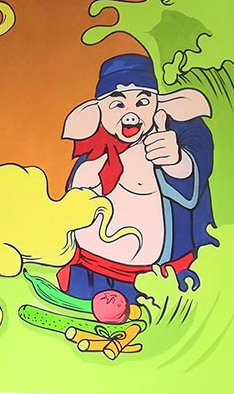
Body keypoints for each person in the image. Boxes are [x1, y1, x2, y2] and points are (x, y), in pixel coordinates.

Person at [58, 53, 216, 300]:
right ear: (99, 110)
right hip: (88, 274)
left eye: (142, 102)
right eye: (118, 105)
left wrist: (175, 161)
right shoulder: (95, 148)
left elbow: (195, 172)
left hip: (149, 282)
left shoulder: (169, 138)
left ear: (157, 104)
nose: (130, 114)